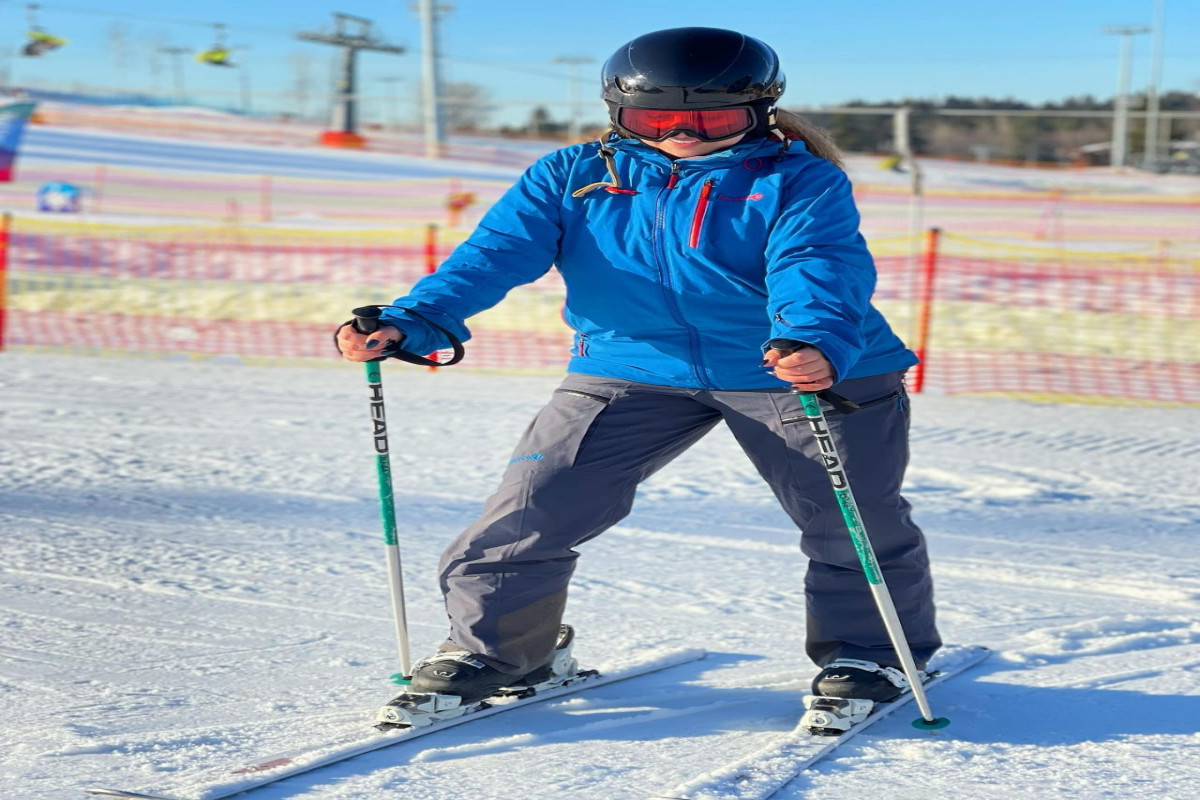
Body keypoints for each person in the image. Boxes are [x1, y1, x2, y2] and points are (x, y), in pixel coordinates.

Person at [337, 26, 941, 705]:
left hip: (797, 365)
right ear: (617, 113)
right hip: (631, 365)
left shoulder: (798, 179)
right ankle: (499, 650)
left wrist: (812, 340)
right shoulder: (572, 176)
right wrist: (411, 321)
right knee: (532, 508)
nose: (684, 131)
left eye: (712, 116)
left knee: (848, 517)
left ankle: (871, 655)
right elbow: (493, 254)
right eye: (655, 117)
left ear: (760, 109)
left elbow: (815, 265)